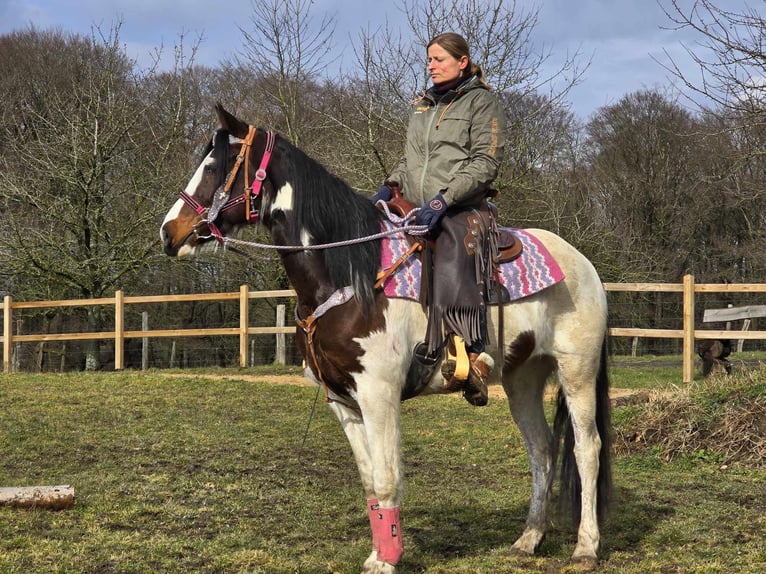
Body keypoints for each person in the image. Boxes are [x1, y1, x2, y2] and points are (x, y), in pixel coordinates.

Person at [372, 32, 507, 406]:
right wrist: (389, 185)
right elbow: (410, 159)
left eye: (439, 59)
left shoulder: (483, 102)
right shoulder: (422, 106)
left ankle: (475, 354)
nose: (430, 65)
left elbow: (486, 162)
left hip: (462, 205)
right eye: (429, 60)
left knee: (452, 244)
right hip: (416, 203)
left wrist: (444, 199)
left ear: (462, 61)